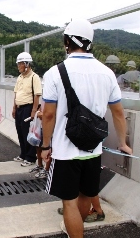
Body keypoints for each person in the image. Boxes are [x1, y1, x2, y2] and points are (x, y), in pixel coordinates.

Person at [41, 18, 132, 237]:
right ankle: (76, 229)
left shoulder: (55, 72)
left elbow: (49, 114)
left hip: (65, 150)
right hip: (93, 149)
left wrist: (45, 145)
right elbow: (118, 112)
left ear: (67, 42)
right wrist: (123, 143)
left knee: (69, 202)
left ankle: (74, 231)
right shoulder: (106, 73)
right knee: (84, 196)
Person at [12, 52, 42, 167]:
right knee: (20, 131)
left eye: (20, 64)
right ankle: (23, 154)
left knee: (27, 133)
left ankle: (30, 157)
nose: (18, 66)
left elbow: (37, 96)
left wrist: (33, 111)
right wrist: (14, 107)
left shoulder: (34, 77)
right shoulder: (19, 77)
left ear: (26, 64)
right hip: (19, 108)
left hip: (28, 108)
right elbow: (16, 93)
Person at [28, 104, 51, 178]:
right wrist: (38, 113)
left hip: (49, 127)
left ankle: (47, 170)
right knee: (38, 146)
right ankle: (40, 165)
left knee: (48, 148)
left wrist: (41, 114)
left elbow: (50, 114)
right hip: (41, 125)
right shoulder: (45, 97)